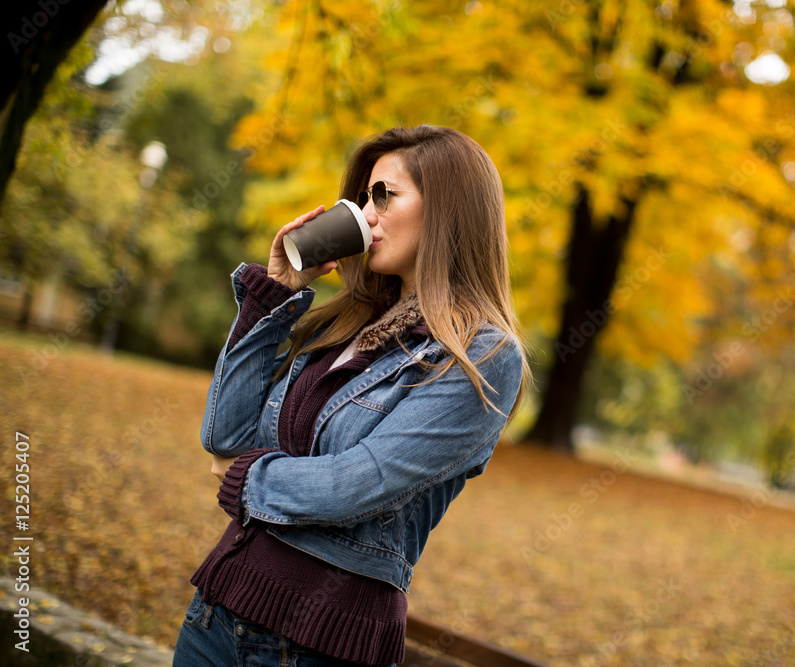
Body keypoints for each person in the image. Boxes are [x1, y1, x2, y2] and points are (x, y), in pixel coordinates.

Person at [173, 125, 530, 666]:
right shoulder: (345, 320)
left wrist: (247, 477)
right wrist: (274, 296)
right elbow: (224, 435)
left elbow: (357, 484)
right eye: (365, 196)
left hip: (320, 645)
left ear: (449, 209)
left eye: (384, 195)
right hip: (217, 612)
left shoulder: (480, 356)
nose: (366, 214)